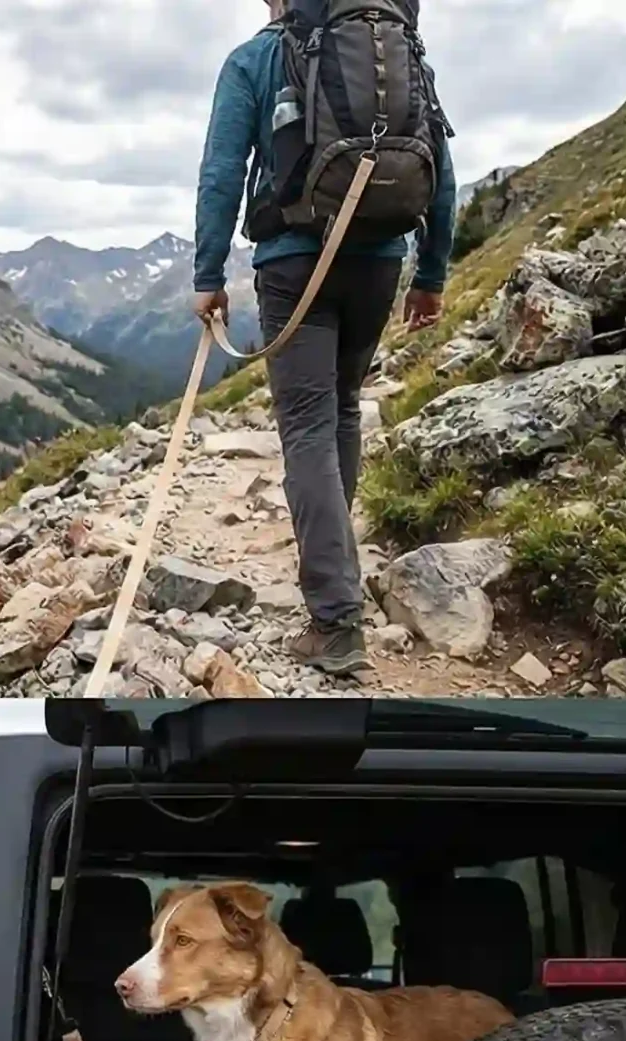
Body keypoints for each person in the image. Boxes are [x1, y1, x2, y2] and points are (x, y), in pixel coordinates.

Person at [192, 0, 454, 678]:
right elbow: (439, 163)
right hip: (379, 259)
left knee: (307, 426)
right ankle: (338, 578)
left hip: (294, 263)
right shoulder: (392, 49)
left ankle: (336, 622)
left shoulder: (255, 58)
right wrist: (431, 273)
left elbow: (222, 172)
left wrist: (207, 273)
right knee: (339, 410)